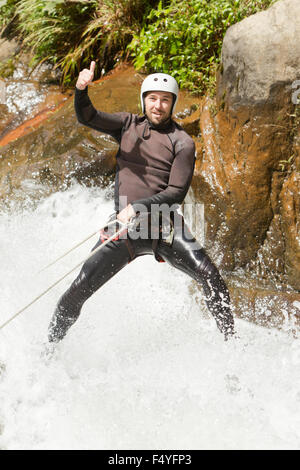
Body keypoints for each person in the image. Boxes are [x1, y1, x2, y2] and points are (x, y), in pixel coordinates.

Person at [47, 61, 235, 343]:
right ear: (143, 100)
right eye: (152, 99)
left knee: (211, 277)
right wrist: (81, 89)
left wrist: (138, 206)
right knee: (77, 290)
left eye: (165, 100)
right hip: (124, 231)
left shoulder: (182, 142)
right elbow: (88, 117)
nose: (158, 106)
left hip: (164, 229)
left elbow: (176, 193)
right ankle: (48, 351)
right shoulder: (127, 125)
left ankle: (233, 348)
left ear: (172, 104)